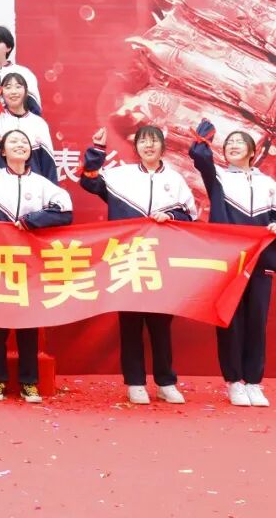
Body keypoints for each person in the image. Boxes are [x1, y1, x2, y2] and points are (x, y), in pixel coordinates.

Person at [80, 125, 197, 404]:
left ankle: (166, 382)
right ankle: (135, 382)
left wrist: (170, 216)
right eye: (143, 141)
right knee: (130, 323)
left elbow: (190, 216)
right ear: (136, 146)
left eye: (154, 141)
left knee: (161, 324)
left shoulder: (175, 179)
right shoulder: (121, 175)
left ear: (162, 146)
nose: (148, 146)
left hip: (161, 260)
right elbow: (89, 181)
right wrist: (97, 150)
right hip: (127, 258)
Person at [0, 130, 73, 402]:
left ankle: (29, 382)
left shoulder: (42, 183)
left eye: (24, 142)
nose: (20, 145)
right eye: (13, 141)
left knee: (28, 325)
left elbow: (65, 211)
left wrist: (33, 220)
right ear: (2, 151)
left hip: (27, 264)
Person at [190, 120, 276, 407]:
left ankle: (253, 382)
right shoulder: (218, 177)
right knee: (230, 319)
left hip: (261, 259)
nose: (233, 146)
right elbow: (199, 156)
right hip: (229, 260)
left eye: (240, 142)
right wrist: (204, 134)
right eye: (229, 144)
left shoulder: (268, 184)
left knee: (256, 320)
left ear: (253, 151)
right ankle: (234, 382)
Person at [0, 73, 56, 182]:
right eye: (8, 87)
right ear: (1, 92)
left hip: (30, 187)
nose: (13, 91)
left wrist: (51, 191)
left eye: (18, 87)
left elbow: (48, 164)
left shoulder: (38, 123)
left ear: (26, 92)